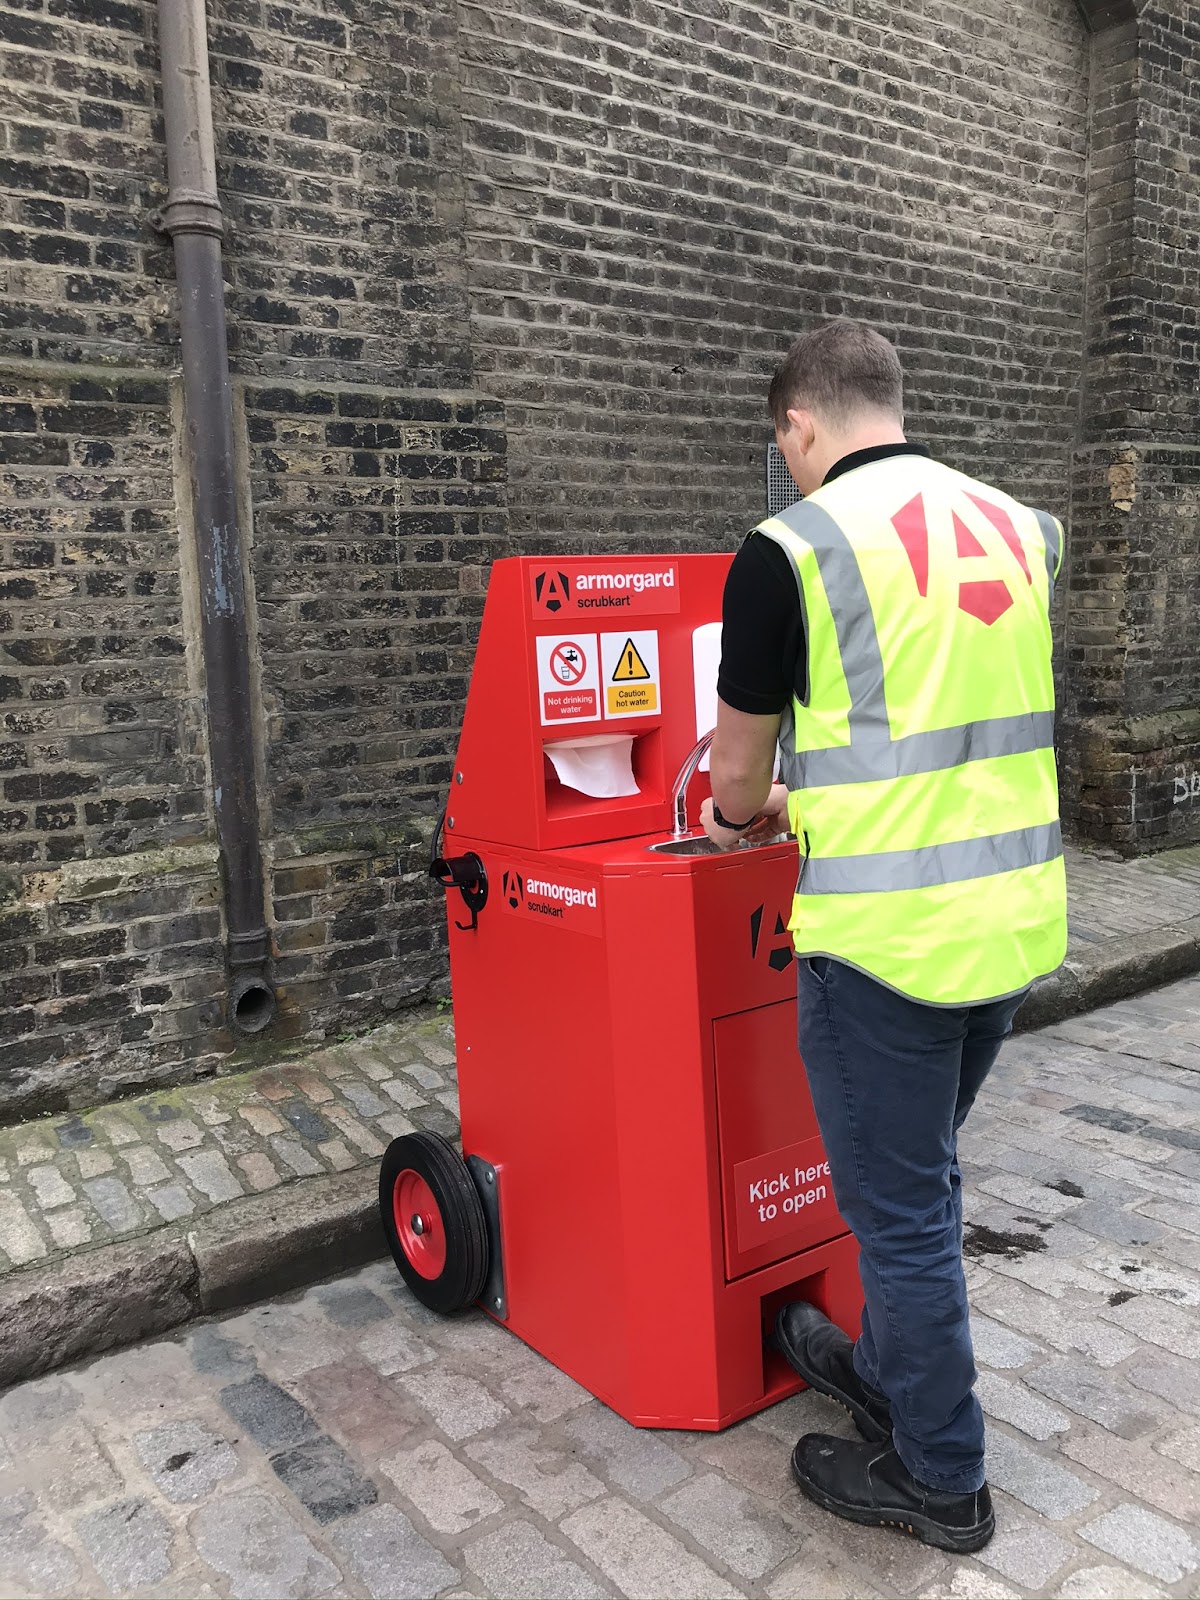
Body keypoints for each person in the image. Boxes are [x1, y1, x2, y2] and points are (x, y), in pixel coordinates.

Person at [700, 320, 1067, 1554]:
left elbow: (737, 783)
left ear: (798, 424)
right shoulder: (1022, 529)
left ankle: (940, 1472)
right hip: (1008, 922)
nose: (786, 464)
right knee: (922, 1181)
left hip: (887, 945)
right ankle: (898, 1375)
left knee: (899, 1210)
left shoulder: (789, 552)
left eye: (782, 445)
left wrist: (739, 805)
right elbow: (941, 744)